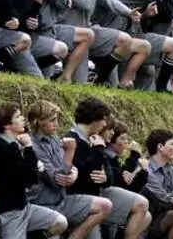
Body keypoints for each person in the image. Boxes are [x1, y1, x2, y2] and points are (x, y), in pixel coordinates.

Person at [64, 97, 151, 239]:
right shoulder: (73, 140)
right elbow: (86, 172)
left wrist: (105, 177)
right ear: (94, 118)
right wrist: (98, 150)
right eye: (103, 120)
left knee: (142, 206)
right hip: (81, 197)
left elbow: (106, 172)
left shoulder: (93, 139)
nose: (105, 124)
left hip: (97, 194)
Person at [27, 100, 112, 239]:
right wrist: (70, 152)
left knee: (105, 205)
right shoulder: (33, 146)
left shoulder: (54, 139)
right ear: (39, 121)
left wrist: (74, 173)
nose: (56, 124)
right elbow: (56, 181)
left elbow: (68, 168)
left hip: (62, 199)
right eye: (52, 120)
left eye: (57, 119)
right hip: (43, 203)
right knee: (58, 224)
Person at [0, 103, 68, 237]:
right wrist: (29, 148)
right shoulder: (2, 148)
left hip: (24, 207)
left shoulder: (12, 144)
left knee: (59, 222)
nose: (23, 119)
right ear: (7, 125)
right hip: (8, 213)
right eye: (18, 117)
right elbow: (30, 178)